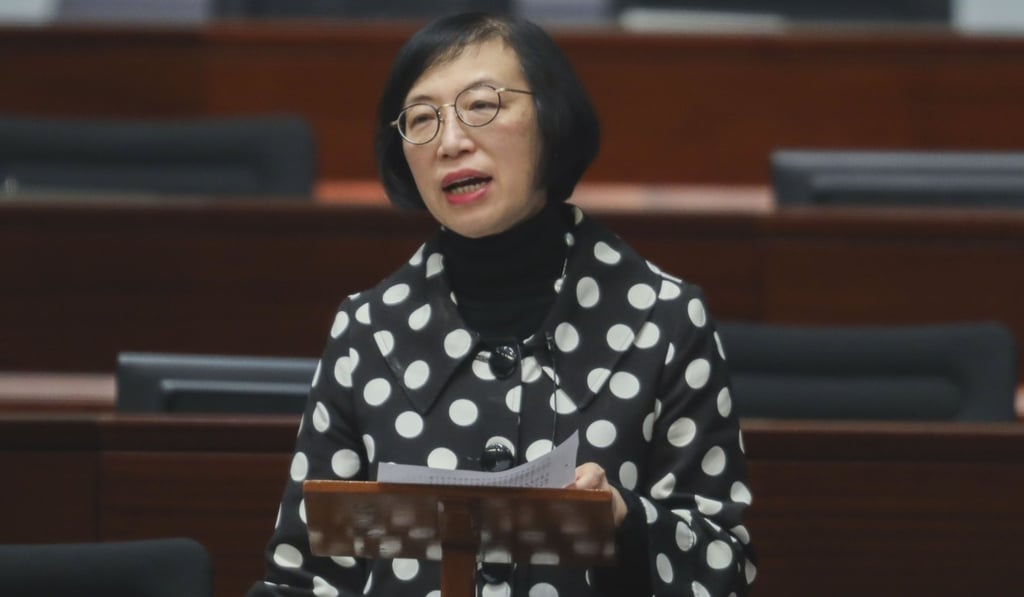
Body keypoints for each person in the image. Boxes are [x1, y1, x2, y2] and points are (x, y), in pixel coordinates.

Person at [249, 11, 755, 597]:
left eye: (482, 106)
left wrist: (624, 520)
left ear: (551, 118)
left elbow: (723, 567)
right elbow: (301, 575)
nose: (451, 141)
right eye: (421, 119)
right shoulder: (368, 330)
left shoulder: (663, 321)